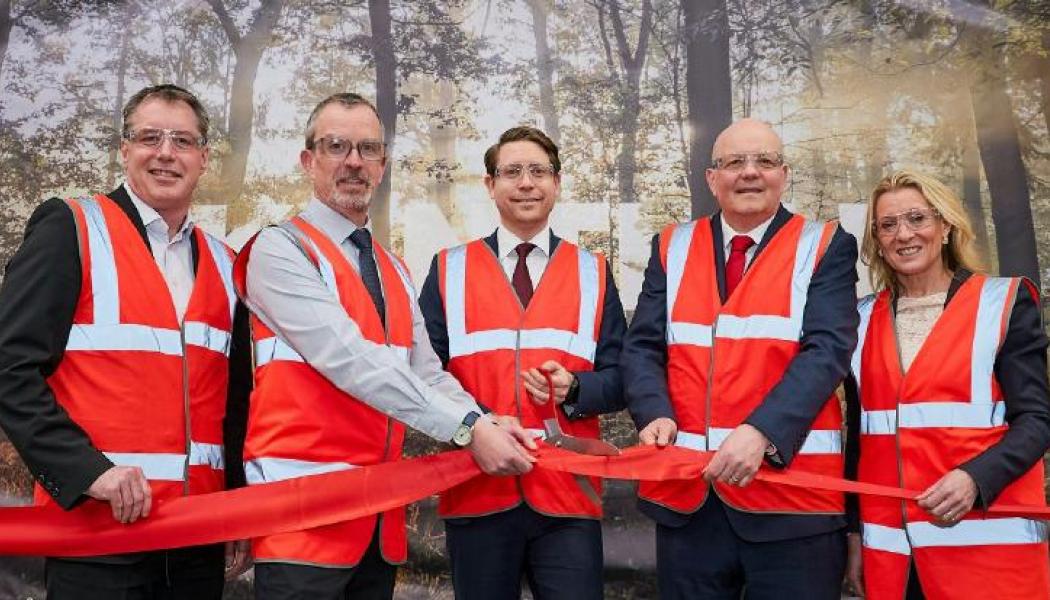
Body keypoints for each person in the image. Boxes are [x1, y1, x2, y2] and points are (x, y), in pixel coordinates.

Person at [234, 93, 537, 600]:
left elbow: (426, 371)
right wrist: (467, 429)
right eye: (336, 146)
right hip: (301, 522)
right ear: (308, 161)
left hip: (375, 522)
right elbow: (350, 360)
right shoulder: (280, 249)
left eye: (368, 149)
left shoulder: (392, 266)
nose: (353, 161)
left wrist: (481, 416)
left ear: (382, 164)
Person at [0, 84, 252, 599]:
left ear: (204, 158)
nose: (165, 152)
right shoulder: (70, 227)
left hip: (196, 539)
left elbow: (234, 403)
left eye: (182, 140)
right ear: (124, 149)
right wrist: (87, 471)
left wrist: (237, 507)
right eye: (149, 137)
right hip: (98, 537)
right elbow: (8, 367)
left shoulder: (228, 265)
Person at [621, 118, 859, 599]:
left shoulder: (826, 245)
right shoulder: (671, 245)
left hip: (793, 504)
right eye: (734, 162)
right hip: (689, 503)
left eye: (764, 161)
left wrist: (764, 432)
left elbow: (827, 350)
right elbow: (642, 346)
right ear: (712, 178)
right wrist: (653, 412)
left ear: (784, 174)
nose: (750, 173)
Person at [418, 125, 628, 600]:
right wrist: (473, 428)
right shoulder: (448, 269)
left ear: (557, 183)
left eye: (539, 171)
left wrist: (575, 389)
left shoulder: (593, 271)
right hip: (478, 487)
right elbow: (422, 377)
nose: (526, 182)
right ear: (490, 185)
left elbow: (622, 379)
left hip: (567, 497)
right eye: (512, 172)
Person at [843, 170, 1050, 599]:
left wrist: (976, 478)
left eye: (918, 218)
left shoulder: (1002, 303)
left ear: (946, 225)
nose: (904, 234)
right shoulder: (859, 322)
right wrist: (853, 535)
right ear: (877, 240)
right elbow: (859, 442)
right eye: (888, 224)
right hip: (896, 554)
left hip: (984, 545)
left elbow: (1036, 420)